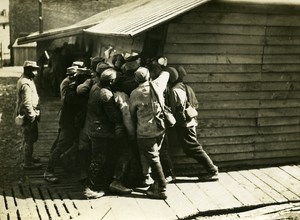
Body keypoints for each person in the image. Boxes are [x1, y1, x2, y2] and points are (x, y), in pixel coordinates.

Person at [85, 68, 132, 198]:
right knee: (99, 159)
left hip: (93, 127)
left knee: (98, 158)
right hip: (102, 131)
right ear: (111, 81)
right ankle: (92, 188)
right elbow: (113, 116)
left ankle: (96, 185)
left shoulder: (95, 87)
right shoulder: (106, 94)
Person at [168, 66, 219, 181]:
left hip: (184, 124)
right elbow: (196, 104)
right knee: (190, 148)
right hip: (191, 122)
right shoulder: (188, 87)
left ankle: (212, 170)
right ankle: (212, 169)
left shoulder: (175, 90)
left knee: (193, 148)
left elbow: (177, 109)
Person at [44, 68, 91, 183]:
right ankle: (49, 171)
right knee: (62, 145)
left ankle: (71, 165)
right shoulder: (73, 90)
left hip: (74, 123)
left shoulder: (76, 87)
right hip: (69, 124)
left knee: (75, 145)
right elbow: (76, 102)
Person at [130, 67, 169, 200]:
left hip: (145, 131)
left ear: (136, 79)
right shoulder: (157, 84)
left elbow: (131, 112)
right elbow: (166, 74)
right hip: (160, 128)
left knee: (153, 158)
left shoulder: (135, 93)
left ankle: (162, 188)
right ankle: (155, 183)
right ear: (148, 76)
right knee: (155, 155)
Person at [15, 61, 42, 170]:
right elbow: (26, 103)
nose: (36, 72)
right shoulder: (25, 83)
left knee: (30, 138)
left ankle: (29, 157)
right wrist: (32, 116)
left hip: (28, 113)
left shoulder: (26, 79)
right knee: (29, 138)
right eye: (34, 70)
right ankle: (27, 163)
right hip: (28, 114)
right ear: (28, 70)